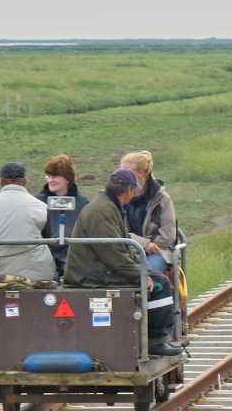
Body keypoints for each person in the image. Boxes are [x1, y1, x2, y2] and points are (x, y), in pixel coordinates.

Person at [65, 168, 181, 357]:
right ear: (127, 190)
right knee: (160, 285)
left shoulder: (109, 207)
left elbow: (121, 248)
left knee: (156, 278)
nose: (134, 194)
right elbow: (114, 254)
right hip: (91, 275)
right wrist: (141, 274)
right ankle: (156, 341)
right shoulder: (103, 211)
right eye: (133, 190)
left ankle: (152, 338)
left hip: (98, 269)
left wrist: (143, 269)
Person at [0, 162, 55, 282]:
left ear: (1, 182)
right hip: (36, 275)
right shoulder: (41, 207)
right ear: (24, 181)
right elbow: (48, 241)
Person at [120, 150, 176, 275]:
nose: (121, 178)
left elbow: (168, 236)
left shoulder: (162, 199)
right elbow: (118, 232)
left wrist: (147, 246)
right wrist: (144, 244)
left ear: (141, 173)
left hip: (158, 251)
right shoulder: (120, 198)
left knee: (145, 272)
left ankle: (159, 290)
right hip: (126, 251)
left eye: (126, 173)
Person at [37, 154, 89, 279]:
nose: (50, 180)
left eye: (54, 176)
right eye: (48, 176)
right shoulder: (37, 203)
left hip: (74, 260)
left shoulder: (83, 204)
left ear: (67, 179)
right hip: (44, 259)